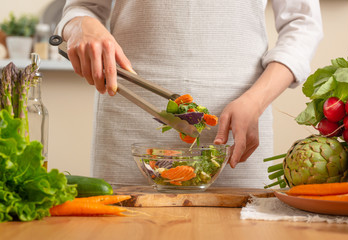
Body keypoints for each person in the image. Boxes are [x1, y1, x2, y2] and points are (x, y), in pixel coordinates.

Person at [56, 0, 323, 188]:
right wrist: (80, 25)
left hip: (236, 126)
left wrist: (256, 100)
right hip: (131, 118)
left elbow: (304, 23)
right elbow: (81, 7)